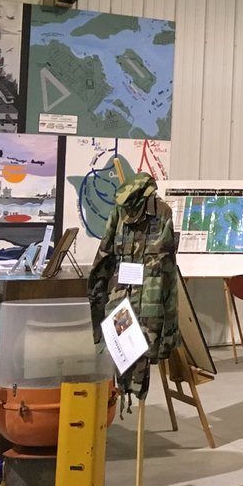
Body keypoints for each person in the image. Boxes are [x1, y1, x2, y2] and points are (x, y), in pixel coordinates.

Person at [88, 172, 179, 404]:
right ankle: (121, 394)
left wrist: (168, 337)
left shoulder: (163, 214)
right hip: (122, 304)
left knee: (139, 350)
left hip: (148, 307)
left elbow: (167, 274)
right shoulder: (118, 214)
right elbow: (104, 260)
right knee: (120, 352)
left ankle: (130, 391)